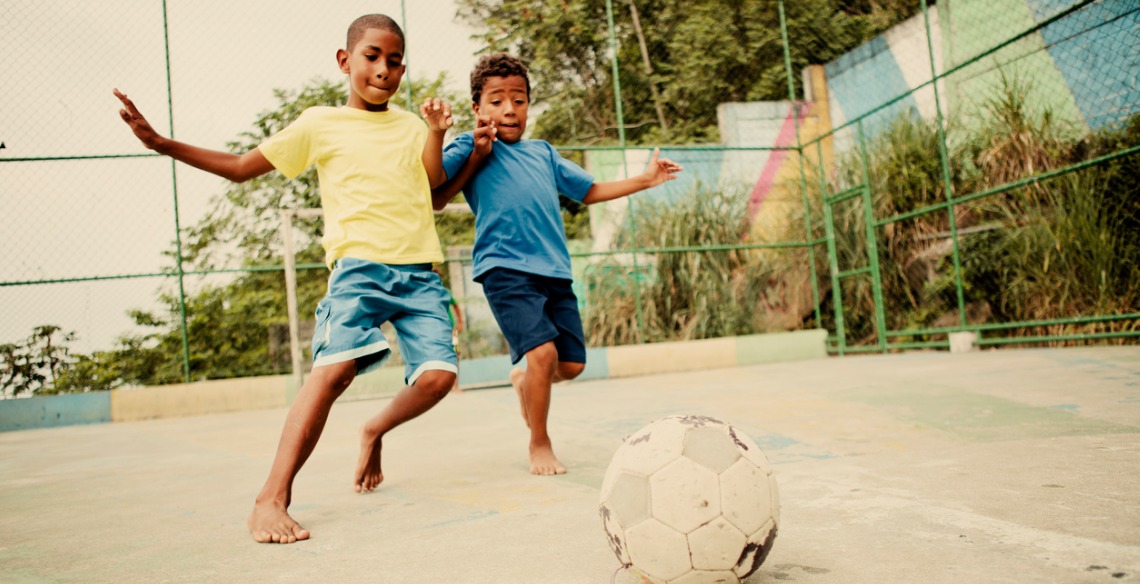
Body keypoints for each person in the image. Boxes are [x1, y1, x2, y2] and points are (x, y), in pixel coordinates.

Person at [115, 14, 459, 544]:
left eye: (394, 61)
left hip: (418, 274)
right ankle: (270, 499)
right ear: (345, 61)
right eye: (372, 56)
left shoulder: (414, 126)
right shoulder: (319, 123)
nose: (383, 69)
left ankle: (374, 429)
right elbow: (237, 166)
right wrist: (162, 143)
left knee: (439, 377)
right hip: (359, 271)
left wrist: (438, 133)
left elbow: (435, 186)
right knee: (334, 371)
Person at [433, 53, 683, 476]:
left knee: (570, 365)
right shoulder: (471, 146)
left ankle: (523, 382)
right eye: (496, 101)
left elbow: (588, 191)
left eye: (519, 99)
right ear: (477, 108)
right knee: (542, 353)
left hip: (554, 270)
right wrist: (442, 136)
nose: (509, 109)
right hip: (504, 268)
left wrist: (645, 180)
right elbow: (434, 183)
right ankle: (540, 443)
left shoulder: (543, 154)